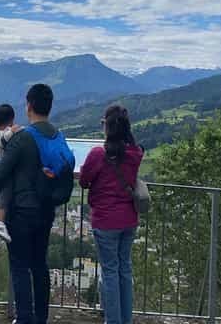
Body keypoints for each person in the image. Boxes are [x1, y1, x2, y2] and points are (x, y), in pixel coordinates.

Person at [0, 84, 59, 324]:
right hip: (46, 209)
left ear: (29, 105)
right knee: (40, 264)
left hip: (21, 210)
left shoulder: (23, 137)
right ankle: (41, 318)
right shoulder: (56, 134)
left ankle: (24, 318)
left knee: (20, 265)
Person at [79, 104, 143, 324]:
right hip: (130, 219)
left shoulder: (99, 153)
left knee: (110, 272)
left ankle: (113, 321)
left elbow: (84, 180)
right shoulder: (136, 153)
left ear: (107, 127)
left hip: (106, 220)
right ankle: (125, 320)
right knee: (124, 269)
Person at [0, 103, 19, 246]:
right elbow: (3, 140)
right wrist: (12, 131)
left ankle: (1, 225)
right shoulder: (0, 135)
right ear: (11, 120)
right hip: (4, 173)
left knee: (4, 199)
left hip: (3, 172)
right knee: (3, 199)